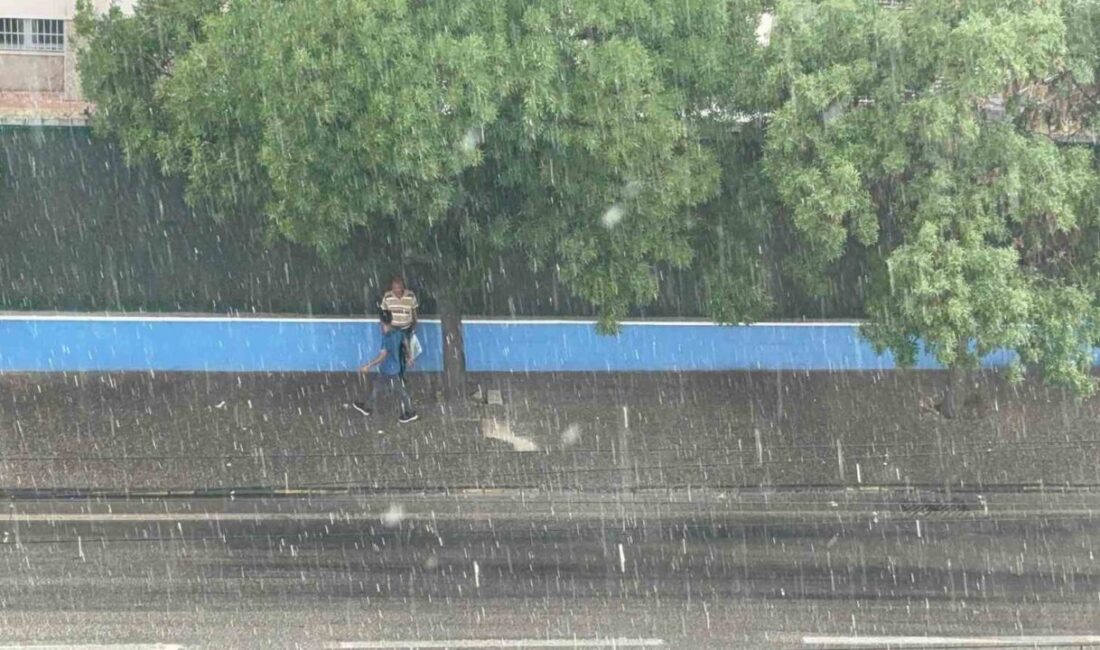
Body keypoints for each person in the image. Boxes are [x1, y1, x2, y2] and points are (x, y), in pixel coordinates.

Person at [353, 311, 419, 423]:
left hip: (389, 370)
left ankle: (411, 412)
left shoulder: (387, 338)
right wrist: (410, 357)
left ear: (381, 322)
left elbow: (382, 356)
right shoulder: (398, 332)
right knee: (379, 386)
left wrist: (367, 366)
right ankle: (367, 407)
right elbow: (405, 342)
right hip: (394, 367)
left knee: (398, 390)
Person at [380, 275, 419, 375]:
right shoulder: (387, 296)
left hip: (406, 328)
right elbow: (383, 313)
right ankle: (394, 374)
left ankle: (401, 374)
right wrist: (383, 328)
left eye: (398, 287)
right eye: (394, 287)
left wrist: (414, 324)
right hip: (393, 329)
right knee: (393, 353)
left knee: (405, 351)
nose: (396, 290)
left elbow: (414, 311)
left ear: (402, 287)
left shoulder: (410, 295)